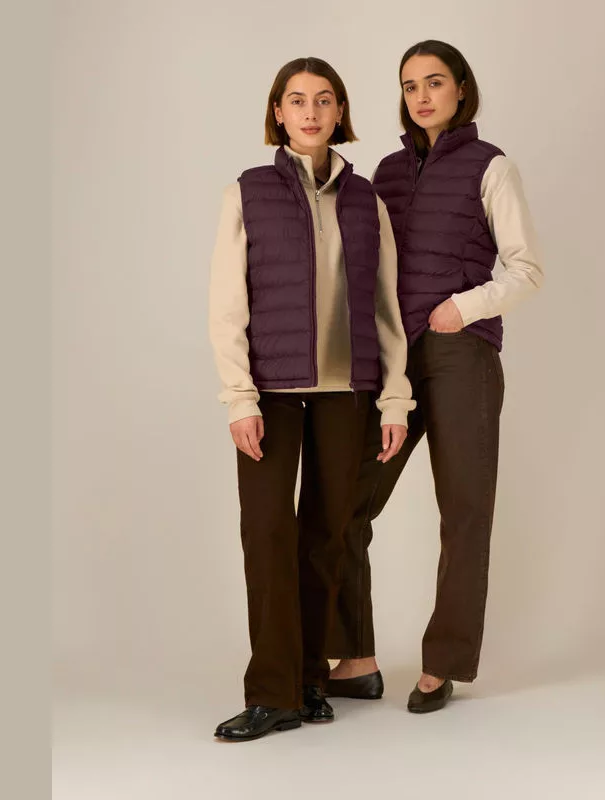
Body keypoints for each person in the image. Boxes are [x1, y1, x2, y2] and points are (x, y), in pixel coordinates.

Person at [326, 40, 544, 713]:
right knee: (348, 500)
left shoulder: (491, 166)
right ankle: (355, 657)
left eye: (435, 82)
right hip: (394, 360)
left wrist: (462, 308)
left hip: (460, 354)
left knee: (464, 508)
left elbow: (526, 269)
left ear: (461, 89)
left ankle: (442, 662)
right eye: (410, 85)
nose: (421, 96)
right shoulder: (386, 173)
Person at [208, 56, 413, 741]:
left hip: (346, 394)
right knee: (268, 535)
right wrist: (239, 397)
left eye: (324, 100)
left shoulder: (366, 200)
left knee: (327, 539)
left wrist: (393, 398)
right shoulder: (248, 192)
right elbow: (226, 304)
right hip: (270, 393)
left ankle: (308, 682)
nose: (311, 112)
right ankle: (272, 693)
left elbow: (385, 306)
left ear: (340, 112)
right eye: (297, 100)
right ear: (278, 112)